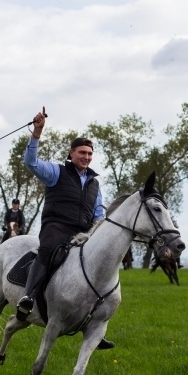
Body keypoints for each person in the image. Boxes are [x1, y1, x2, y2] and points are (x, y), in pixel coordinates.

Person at [16, 107, 114, 350]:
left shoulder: (95, 183)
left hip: (83, 232)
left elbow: (99, 213)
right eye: (82, 152)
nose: (87, 157)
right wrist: (36, 133)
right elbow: (31, 162)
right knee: (48, 249)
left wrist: (100, 233)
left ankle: (95, 325)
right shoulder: (56, 172)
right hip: (56, 227)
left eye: (90, 154)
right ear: (71, 153)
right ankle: (28, 297)